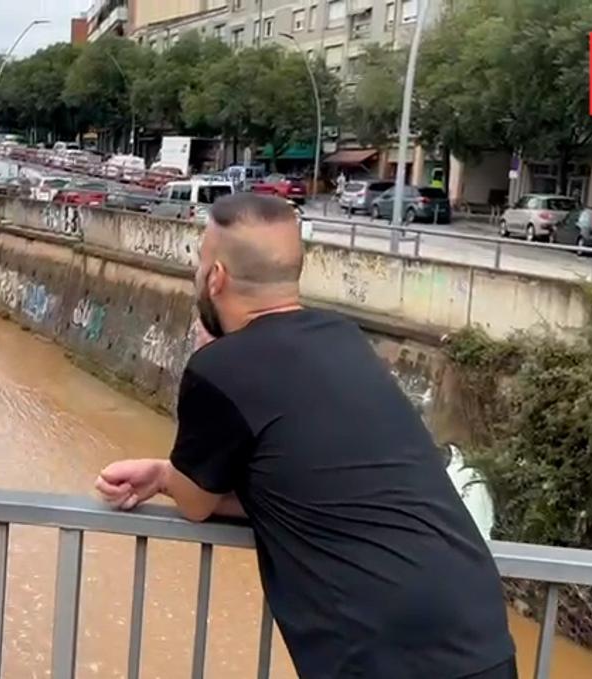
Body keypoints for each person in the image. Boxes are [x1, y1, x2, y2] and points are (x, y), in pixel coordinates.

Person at [96, 193, 516, 679]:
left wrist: (166, 476)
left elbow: (196, 503)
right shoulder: (344, 338)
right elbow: (304, 487)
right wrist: (165, 475)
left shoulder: (220, 368)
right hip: (479, 632)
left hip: (384, 653)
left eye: (199, 262)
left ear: (215, 278)